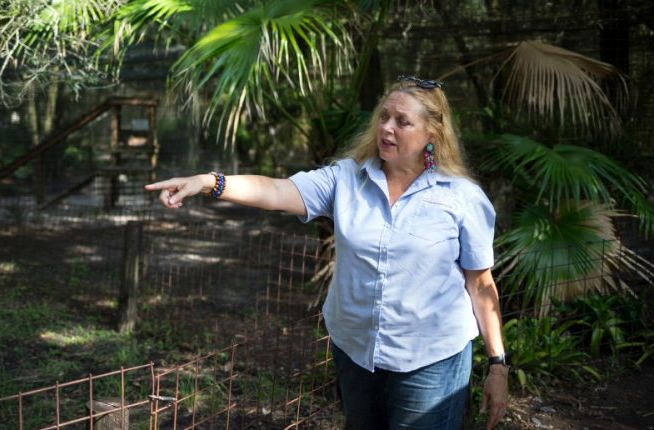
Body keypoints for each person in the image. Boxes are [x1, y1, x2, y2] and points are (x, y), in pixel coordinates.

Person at [145, 75, 509, 430]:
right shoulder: (346, 179)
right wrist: (209, 182)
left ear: (433, 132)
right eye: (383, 116)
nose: (387, 128)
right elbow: (275, 191)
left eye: (402, 122)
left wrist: (497, 364)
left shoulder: (460, 197)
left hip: (430, 360)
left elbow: (480, 286)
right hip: (357, 352)